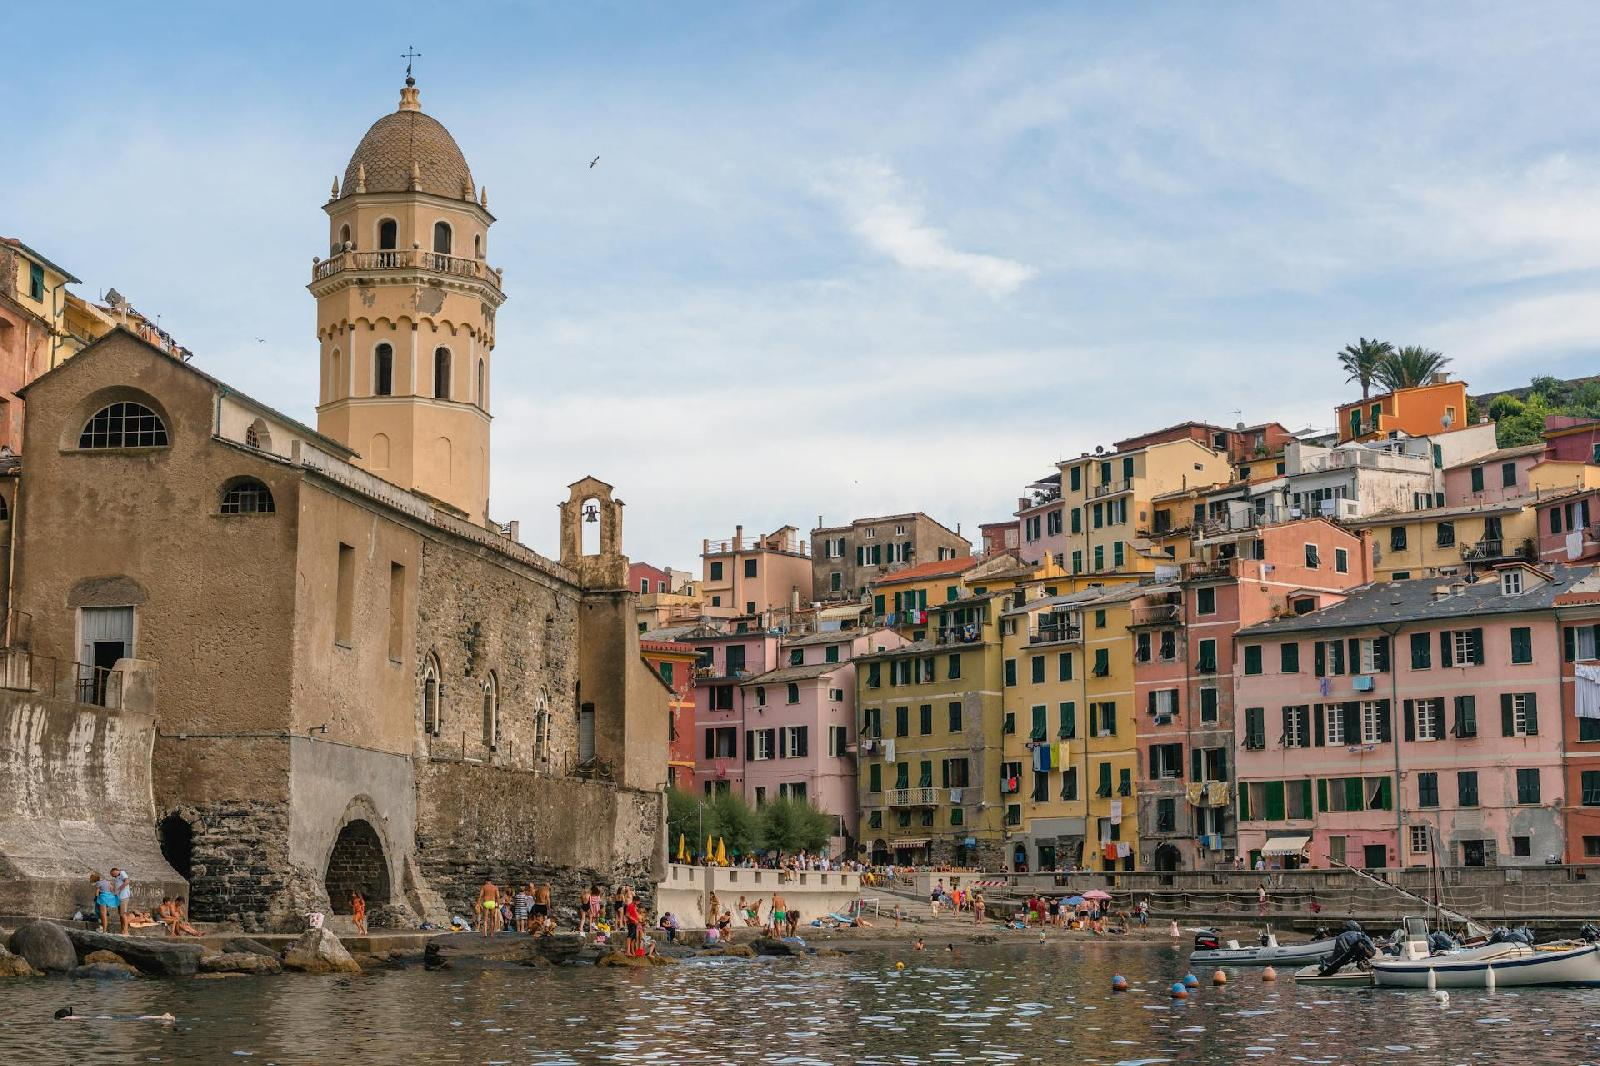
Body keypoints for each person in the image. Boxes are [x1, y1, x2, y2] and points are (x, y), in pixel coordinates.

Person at [111, 868, 132, 935]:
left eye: (113, 874)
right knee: (120, 915)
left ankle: (126, 931)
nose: (113, 876)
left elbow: (127, 881)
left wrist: (120, 888)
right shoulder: (117, 877)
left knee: (123, 914)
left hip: (124, 897)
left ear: (116, 871)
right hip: (119, 897)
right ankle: (122, 929)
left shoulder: (122, 873)